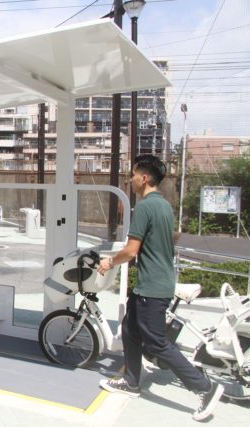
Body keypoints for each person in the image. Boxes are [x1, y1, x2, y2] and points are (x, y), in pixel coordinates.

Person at [96, 155, 223, 421]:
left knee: (156, 343)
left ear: (144, 178)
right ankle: (131, 381)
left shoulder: (144, 208)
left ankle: (204, 387)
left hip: (152, 288)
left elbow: (131, 251)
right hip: (154, 283)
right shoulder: (164, 205)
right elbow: (171, 237)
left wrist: (109, 261)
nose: (130, 179)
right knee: (130, 329)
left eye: (132, 175)